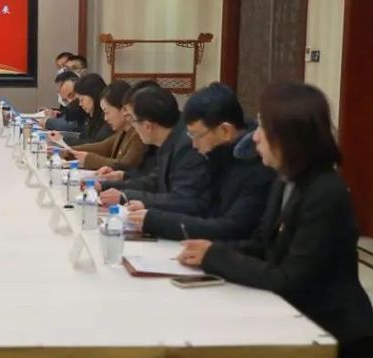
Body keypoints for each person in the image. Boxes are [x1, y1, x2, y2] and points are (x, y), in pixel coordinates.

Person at [178, 82, 373, 358]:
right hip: (294, 319)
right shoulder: (285, 179)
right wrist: (209, 251)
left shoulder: (325, 193)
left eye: (263, 128)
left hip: (335, 341)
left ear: (289, 137)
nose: (254, 136)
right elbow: (262, 244)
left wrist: (216, 257)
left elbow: (288, 279)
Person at [127, 83, 274, 240]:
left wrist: (155, 221)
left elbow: (230, 228)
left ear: (225, 131)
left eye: (196, 135)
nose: (194, 145)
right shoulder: (218, 156)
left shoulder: (255, 167)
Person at [98, 85, 210, 216]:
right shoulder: (170, 140)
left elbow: (182, 200)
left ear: (148, 126)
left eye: (133, 120)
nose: (132, 127)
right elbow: (154, 181)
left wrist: (125, 196)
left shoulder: (187, 146)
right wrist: (106, 185)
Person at [61, 80, 146, 171]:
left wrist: (88, 159)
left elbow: (124, 165)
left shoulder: (138, 135)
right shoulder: (123, 131)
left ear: (123, 109)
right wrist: (68, 151)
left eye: (107, 112)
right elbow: (102, 147)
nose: (105, 118)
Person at [48, 73, 112, 147]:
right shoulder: (90, 116)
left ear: (93, 95)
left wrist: (63, 140)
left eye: (82, 99)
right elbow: (84, 139)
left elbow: (96, 145)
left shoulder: (106, 119)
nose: (80, 104)